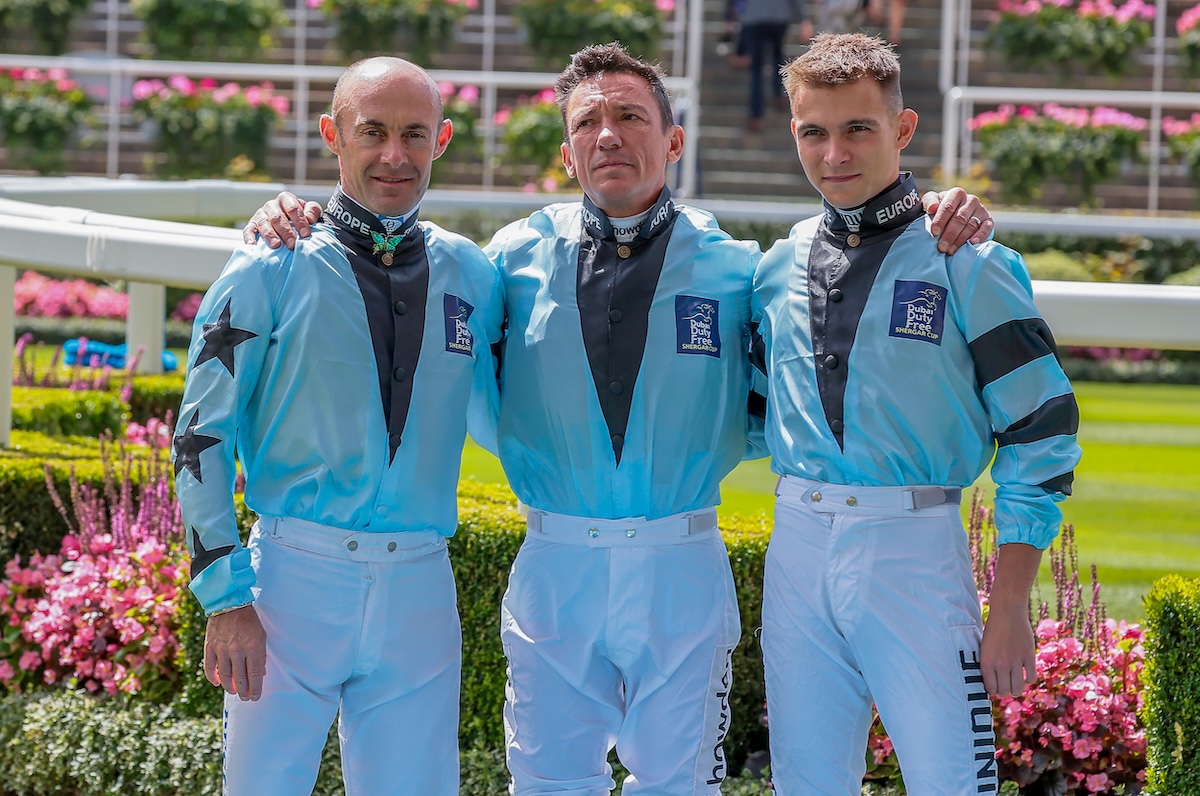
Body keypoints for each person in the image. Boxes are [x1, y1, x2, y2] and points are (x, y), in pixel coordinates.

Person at [243, 43, 992, 795]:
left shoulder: (741, 269)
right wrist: (293, 210)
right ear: (567, 153)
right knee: (545, 782)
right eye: (588, 122)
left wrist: (934, 206)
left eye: (631, 116)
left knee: (679, 785)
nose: (609, 135)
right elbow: (442, 358)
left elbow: (791, 395)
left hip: (683, 559)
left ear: (673, 141)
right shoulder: (507, 264)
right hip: (555, 560)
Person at [751, 33, 1082, 794]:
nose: (835, 152)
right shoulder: (775, 267)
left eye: (858, 128)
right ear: (794, 131)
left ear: (902, 130)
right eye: (814, 131)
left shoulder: (970, 260)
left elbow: (1043, 433)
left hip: (914, 546)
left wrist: (1009, 605)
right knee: (805, 781)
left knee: (953, 781)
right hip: (796, 543)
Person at [172, 56, 503, 795]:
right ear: (332, 134)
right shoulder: (268, 264)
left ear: (442, 139)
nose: (395, 154)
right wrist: (225, 597)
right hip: (293, 581)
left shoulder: (473, 273)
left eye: (414, 134)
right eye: (373, 131)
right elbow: (199, 436)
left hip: (420, 581)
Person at [739, 0, 809, 132]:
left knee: (757, 68)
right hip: (778, 15)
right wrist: (803, 19)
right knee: (777, 55)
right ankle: (779, 93)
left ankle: (757, 115)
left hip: (754, 16)